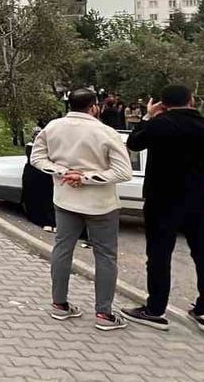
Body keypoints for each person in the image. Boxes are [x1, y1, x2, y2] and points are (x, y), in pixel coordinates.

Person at [122, 84, 204, 334]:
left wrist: (148, 116)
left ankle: (155, 309)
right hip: (197, 198)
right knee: (203, 253)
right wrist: (198, 169)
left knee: (160, 254)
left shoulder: (159, 125)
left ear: (162, 104)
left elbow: (134, 142)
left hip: (162, 199)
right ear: (191, 100)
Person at [31, 89, 133, 331]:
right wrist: (86, 177)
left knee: (62, 249)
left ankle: (59, 304)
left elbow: (37, 159)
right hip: (101, 205)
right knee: (106, 256)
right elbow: (123, 172)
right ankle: (104, 314)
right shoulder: (106, 132)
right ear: (94, 107)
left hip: (65, 199)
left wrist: (62, 172)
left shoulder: (52, 127)